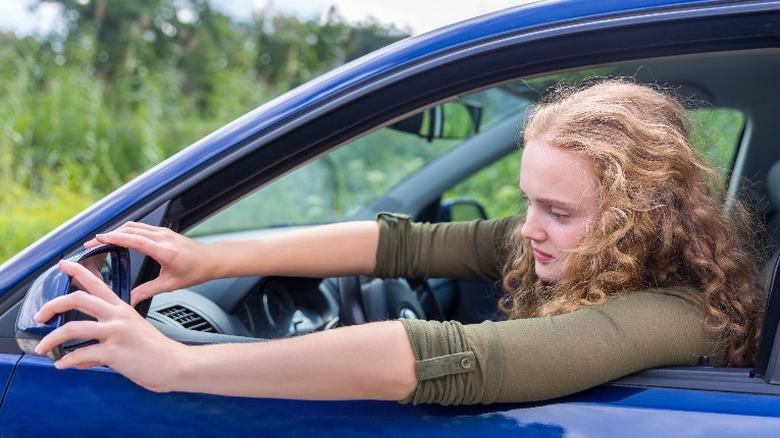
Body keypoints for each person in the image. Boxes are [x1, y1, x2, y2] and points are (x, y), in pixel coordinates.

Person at [33, 78, 765, 405]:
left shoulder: (676, 316)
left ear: (634, 214)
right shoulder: (577, 244)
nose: (530, 227)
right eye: (527, 202)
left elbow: (449, 360)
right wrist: (214, 258)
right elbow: (401, 249)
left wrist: (172, 364)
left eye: (558, 210)